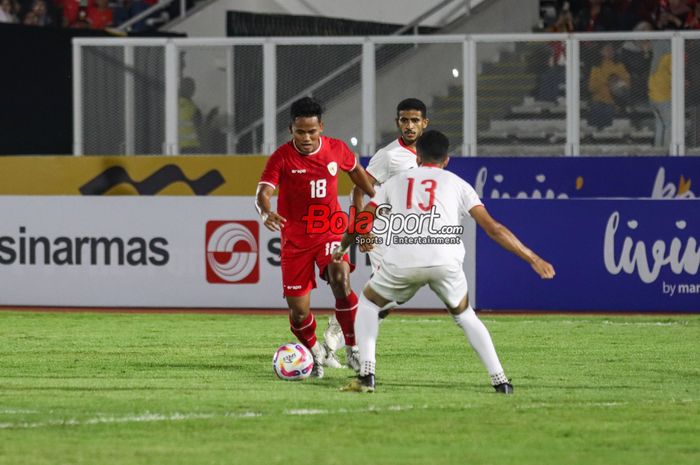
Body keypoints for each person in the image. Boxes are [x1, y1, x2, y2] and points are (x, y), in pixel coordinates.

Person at [332, 130, 556, 393]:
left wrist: (342, 247)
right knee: (465, 315)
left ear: (417, 156)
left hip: (403, 260)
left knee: (368, 303)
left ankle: (366, 375)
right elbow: (493, 229)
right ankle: (501, 381)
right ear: (446, 159)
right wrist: (533, 258)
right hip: (445, 261)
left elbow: (363, 222)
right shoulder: (458, 184)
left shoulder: (395, 183)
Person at [256, 97, 375, 378]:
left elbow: (356, 172)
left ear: (321, 127)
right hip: (295, 242)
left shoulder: (336, 149)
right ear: (291, 130)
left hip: (330, 231)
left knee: (339, 277)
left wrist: (375, 194)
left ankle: (352, 347)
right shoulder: (282, 157)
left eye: (312, 131)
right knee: (299, 312)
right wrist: (265, 212)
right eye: (300, 132)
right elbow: (263, 192)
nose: (307, 138)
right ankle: (314, 351)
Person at [323, 98, 429, 361]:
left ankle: (342, 323)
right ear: (397, 122)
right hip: (381, 229)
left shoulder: (428, 156)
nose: (409, 125)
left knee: (397, 294)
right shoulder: (390, 156)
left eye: (415, 120)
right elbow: (358, 189)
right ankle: (347, 335)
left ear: (424, 123)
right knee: (387, 287)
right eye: (404, 120)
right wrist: (364, 228)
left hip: (405, 232)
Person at [587, 43, 631, 129]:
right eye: (607, 49)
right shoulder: (596, 67)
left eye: (611, 49)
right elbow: (591, 86)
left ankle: (606, 133)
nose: (610, 52)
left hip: (614, 100)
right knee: (596, 107)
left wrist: (615, 82)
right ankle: (595, 132)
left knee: (609, 109)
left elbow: (627, 84)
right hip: (598, 98)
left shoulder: (619, 65)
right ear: (601, 52)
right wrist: (605, 83)